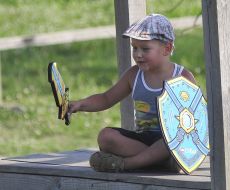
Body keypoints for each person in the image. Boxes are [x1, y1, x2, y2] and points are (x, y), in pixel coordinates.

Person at [67, 14, 196, 173]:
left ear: (167, 49)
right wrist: (80, 104)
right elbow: (107, 98)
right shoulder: (134, 75)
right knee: (105, 136)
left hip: (170, 141)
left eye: (145, 49)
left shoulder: (182, 77)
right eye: (134, 48)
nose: (138, 54)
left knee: (173, 142)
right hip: (142, 140)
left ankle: (127, 164)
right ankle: (160, 162)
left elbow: (196, 119)